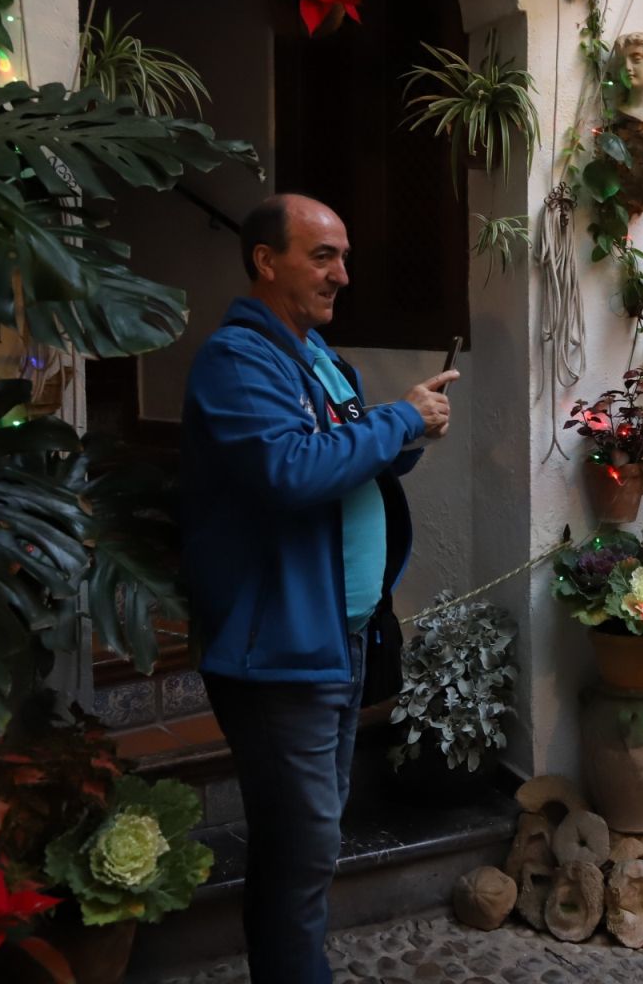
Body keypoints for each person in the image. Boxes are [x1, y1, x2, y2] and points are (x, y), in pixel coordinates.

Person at [179, 194, 458, 983]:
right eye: (322, 256)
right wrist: (396, 423)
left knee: (309, 844)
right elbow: (290, 470)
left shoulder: (322, 358)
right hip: (279, 653)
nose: (342, 273)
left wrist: (412, 429)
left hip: (336, 640)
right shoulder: (239, 359)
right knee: (301, 852)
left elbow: (345, 450)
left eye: (343, 256)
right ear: (266, 262)